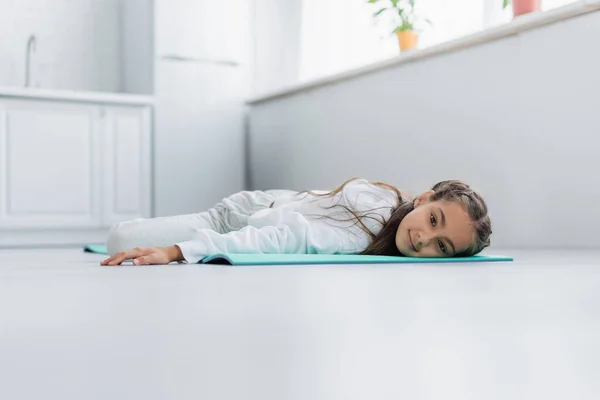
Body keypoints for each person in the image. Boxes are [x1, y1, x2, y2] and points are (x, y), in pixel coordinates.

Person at [100, 177, 492, 266]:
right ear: (423, 199)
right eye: (434, 219)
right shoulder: (371, 220)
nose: (425, 238)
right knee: (119, 239)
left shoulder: (388, 219)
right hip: (239, 218)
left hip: (267, 211)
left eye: (442, 246)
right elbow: (278, 239)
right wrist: (175, 252)